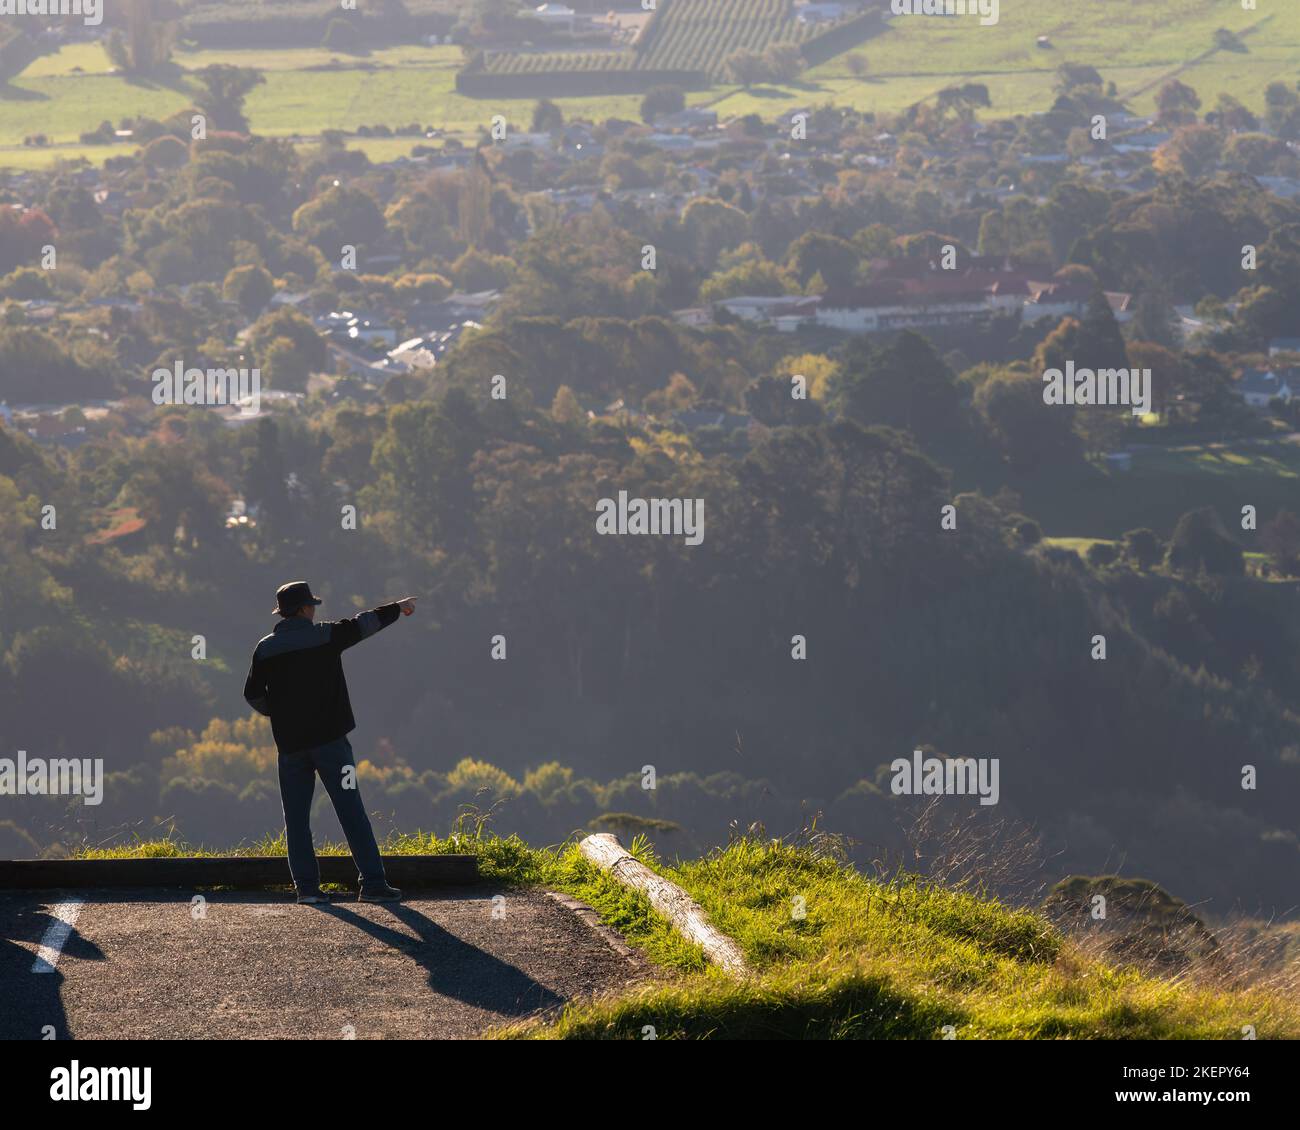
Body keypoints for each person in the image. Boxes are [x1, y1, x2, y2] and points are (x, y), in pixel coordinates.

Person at [243, 581, 417, 904]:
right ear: (304, 610)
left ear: (283, 613)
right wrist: (399, 607)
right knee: (351, 810)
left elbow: (252, 694)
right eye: (311, 605)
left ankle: (307, 889)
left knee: (296, 819)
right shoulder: (325, 635)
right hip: (331, 743)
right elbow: (364, 624)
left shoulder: (264, 649)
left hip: (291, 747)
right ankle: (374, 884)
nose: (314, 610)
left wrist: (280, 714)